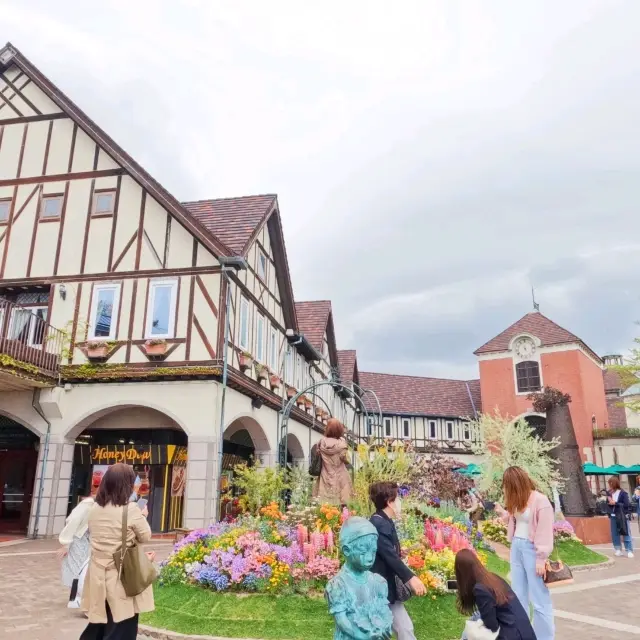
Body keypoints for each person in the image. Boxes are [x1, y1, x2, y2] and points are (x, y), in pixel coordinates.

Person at [80, 463, 155, 640]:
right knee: (122, 625)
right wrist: (143, 516)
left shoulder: (94, 509)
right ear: (127, 485)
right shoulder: (130, 509)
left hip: (97, 574)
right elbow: (145, 536)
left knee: (100, 623)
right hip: (121, 576)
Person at [494, 466, 554, 640]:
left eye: (507, 485)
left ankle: (544, 637)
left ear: (516, 483)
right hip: (517, 547)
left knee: (539, 599)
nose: (505, 489)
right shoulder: (518, 500)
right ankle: (522, 635)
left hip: (532, 550)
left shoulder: (540, 501)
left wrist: (541, 559)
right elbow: (515, 519)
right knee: (518, 597)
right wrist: (502, 513)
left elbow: (544, 531)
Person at [369, 481, 426, 640]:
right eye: (398, 499)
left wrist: (402, 550)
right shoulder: (378, 523)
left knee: (405, 629)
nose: (400, 502)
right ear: (389, 502)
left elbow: (388, 551)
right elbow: (389, 556)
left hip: (387, 588)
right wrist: (411, 578)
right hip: (379, 589)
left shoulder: (384, 520)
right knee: (383, 632)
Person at [455, 549, 536, 640]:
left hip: (512, 635)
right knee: (474, 619)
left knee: (469, 630)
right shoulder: (492, 578)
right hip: (524, 630)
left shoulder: (480, 590)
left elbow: (492, 626)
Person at [58, 489, 95, 609]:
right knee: (76, 569)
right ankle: (74, 598)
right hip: (77, 539)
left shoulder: (95, 505)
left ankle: (76, 597)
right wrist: (66, 543)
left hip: (85, 540)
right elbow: (73, 521)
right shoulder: (87, 504)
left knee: (80, 569)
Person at [312, 418, 353, 505]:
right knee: (342, 505)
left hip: (325, 475)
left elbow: (318, 456)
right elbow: (345, 460)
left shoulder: (321, 443)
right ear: (339, 430)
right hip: (340, 477)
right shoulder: (342, 444)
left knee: (324, 505)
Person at [606, 476, 634, 558]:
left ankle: (629, 550)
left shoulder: (623, 493)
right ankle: (618, 549)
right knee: (614, 533)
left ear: (614, 484)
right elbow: (607, 504)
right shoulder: (609, 493)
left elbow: (626, 505)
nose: (609, 486)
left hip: (622, 516)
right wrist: (609, 503)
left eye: (610, 484)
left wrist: (616, 503)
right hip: (613, 516)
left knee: (626, 532)